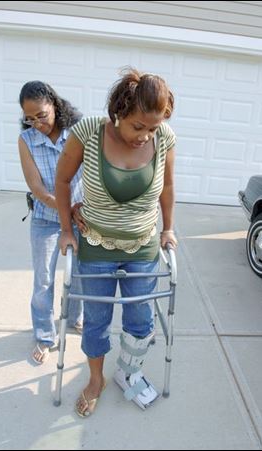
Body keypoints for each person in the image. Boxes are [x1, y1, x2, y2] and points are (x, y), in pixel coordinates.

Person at [55, 68, 177, 417]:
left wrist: (168, 228)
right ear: (119, 112)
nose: (145, 136)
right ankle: (96, 380)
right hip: (95, 247)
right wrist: (66, 229)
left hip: (142, 247)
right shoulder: (88, 133)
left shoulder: (164, 138)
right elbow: (62, 182)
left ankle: (128, 371)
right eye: (138, 126)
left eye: (152, 128)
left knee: (140, 320)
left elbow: (167, 187)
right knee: (96, 319)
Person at [18, 81, 84, 364]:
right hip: (46, 219)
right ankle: (45, 334)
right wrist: (64, 209)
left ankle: (75, 317)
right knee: (44, 279)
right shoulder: (27, 141)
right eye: (29, 118)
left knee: (81, 275)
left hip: (82, 217)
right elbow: (37, 188)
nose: (36, 123)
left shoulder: (78, 132)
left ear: (55, 105)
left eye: (41, 115)